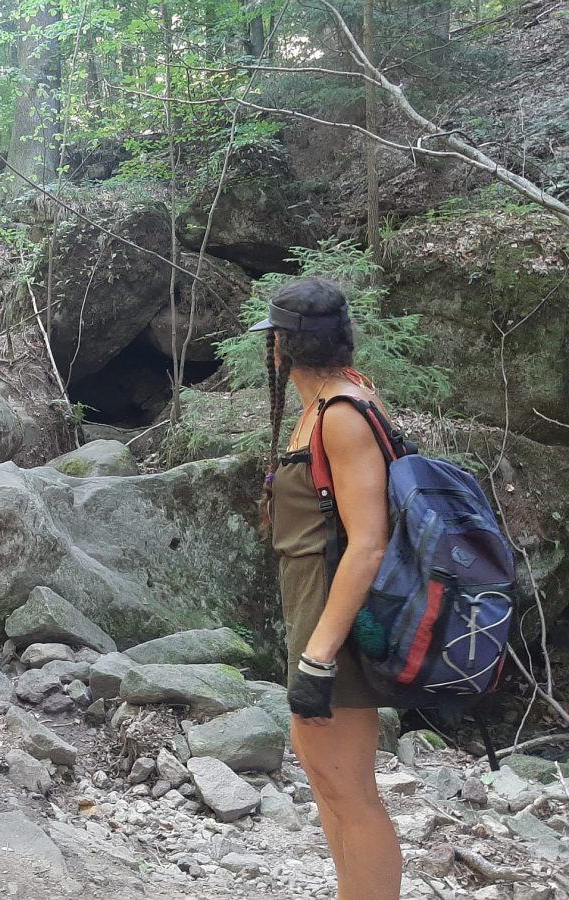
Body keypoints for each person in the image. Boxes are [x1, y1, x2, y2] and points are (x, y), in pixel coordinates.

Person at [252, 277, 403, 900]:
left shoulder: (343, 414)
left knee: (351, 795)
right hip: (316, 617)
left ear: (282, 346)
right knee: (329, 784)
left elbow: (368, 542)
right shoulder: (331, 406)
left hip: (333, 628)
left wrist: (318, 657)